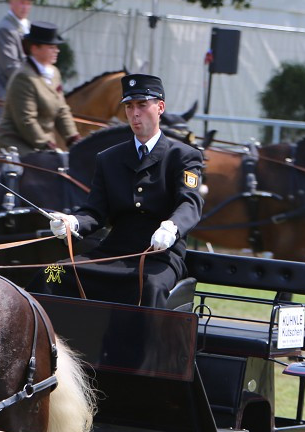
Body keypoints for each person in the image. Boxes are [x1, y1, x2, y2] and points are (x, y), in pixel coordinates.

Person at [37, 74, 204, 309]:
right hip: (113, 252)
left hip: (160, 255)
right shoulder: (109, 158)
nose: (134, 113)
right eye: (129, 106)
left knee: (150, 287)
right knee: (51, 273)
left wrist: (172, 227)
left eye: (142, 105)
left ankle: (142, 347)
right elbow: (95, 212)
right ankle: (58, 345)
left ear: (160, 108)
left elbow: (190, 203)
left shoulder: (183, 156)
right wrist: (72, 222)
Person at [0, 22, 78, 155]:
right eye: (51, 47)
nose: (57, 51)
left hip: (39, 143)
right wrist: (48, 147)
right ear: (35, 48)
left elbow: (62, 111)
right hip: (14, 142)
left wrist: (74, 140)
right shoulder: (23, 77)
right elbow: (26, 120)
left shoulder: (54, 73)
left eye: (56, 47)